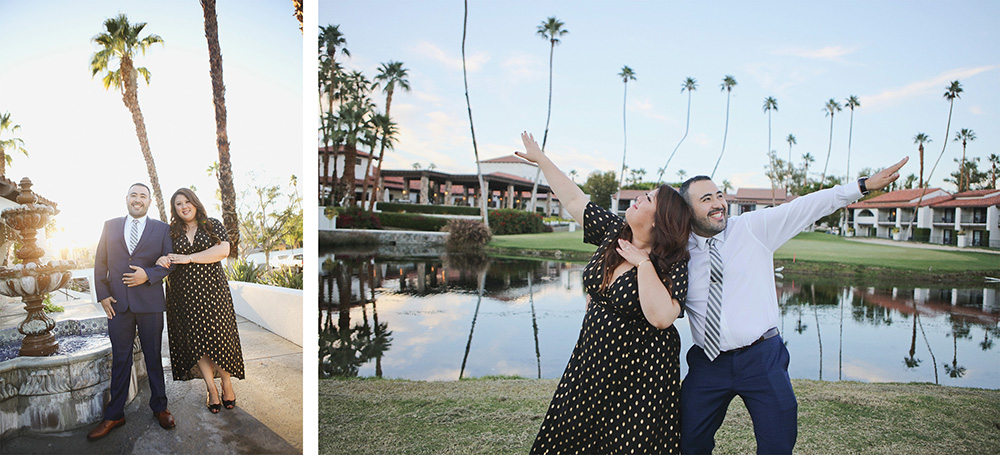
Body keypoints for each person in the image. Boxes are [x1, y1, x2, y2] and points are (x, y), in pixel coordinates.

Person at [677, 157, 909, 454]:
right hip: (708, 362)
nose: (718, 203)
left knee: (778, 443)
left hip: (761, 356)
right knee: (689, 442)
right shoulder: (678, 252)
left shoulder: (752, 228)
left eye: (720, 195)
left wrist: (862, 186)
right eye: (706, 199)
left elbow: (806, 206)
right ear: (687, 210)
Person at [518, 132, 691, 454]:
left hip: (641, 378)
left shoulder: (672, 262)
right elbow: (573, 200)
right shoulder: (614, 232)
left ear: (660, 222)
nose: (640, 197)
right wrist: (541, 159)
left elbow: (662, 317)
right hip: (592, 363)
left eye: (649, 199)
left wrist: (642, 265)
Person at [89, 183, 176, 441]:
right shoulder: (110, 226)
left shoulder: (162, 229)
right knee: (120, 360)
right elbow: (100, 263)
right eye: (134, 195)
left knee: (153, 358)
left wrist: (147, 275)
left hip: (149, 304)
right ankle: (114, 413)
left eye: (143, 196)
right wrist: (103, 295)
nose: (138, 200)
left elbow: (169, 262)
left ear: (149, 202)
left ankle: (160, 407)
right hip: (118, 305)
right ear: (126, 199)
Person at [158, 188, 245, 413]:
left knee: (220, 340)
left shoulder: (212, 224)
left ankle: (226, 383)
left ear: (195, 203)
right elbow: (161, 255)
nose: (184, 206)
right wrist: (160, 258)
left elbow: (223, 250)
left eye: (187, 201)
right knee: (197, 344)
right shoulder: (170, 233)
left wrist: (189, 258)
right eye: (178, 204)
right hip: (183, 295)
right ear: (174, 209)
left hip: (213, 292)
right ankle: (211, 389)